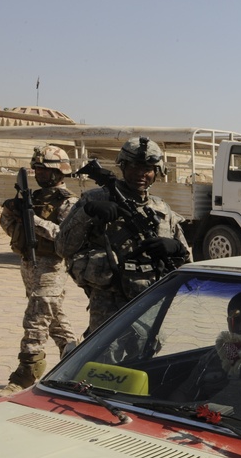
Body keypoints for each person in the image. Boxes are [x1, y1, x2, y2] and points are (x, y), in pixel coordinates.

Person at [56, 137, 192, 335]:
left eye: (148, 168)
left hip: (150, 303)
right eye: (134, 166)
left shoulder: (161, 209)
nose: (141, 173)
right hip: (108, 307)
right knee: (105, 361)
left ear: (157, 172)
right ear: (123, 166)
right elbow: (62, 247)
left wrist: (176, 248)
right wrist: (87, 212)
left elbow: (186, 259)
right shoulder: (95, 199)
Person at [0, 146, 80, 395]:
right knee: (52, 317)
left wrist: (32, 219)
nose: (40, 174)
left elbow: (63, 235)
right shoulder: (30, 198)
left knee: (35, 319)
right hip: (28, 263)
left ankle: (27, 373)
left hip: (51, 267)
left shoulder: (69, 202)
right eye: (37, 169)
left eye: (45, 169)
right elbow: (8, 226)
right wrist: (13, 213)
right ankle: (77, 360)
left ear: (59, 171)